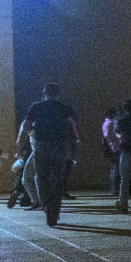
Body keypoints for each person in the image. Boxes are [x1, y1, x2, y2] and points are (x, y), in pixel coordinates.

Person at [23, 83, 80, 226]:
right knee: (58, 178)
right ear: (58, 93)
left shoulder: (36, 107)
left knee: (42, 178)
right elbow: (75, 123)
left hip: (42, 145)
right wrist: (77, 138)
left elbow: (27, 124)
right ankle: (55, 210)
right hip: (60, 145)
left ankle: (46, 207)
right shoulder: (65, 107)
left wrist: (32, 134)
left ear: (44, 93)